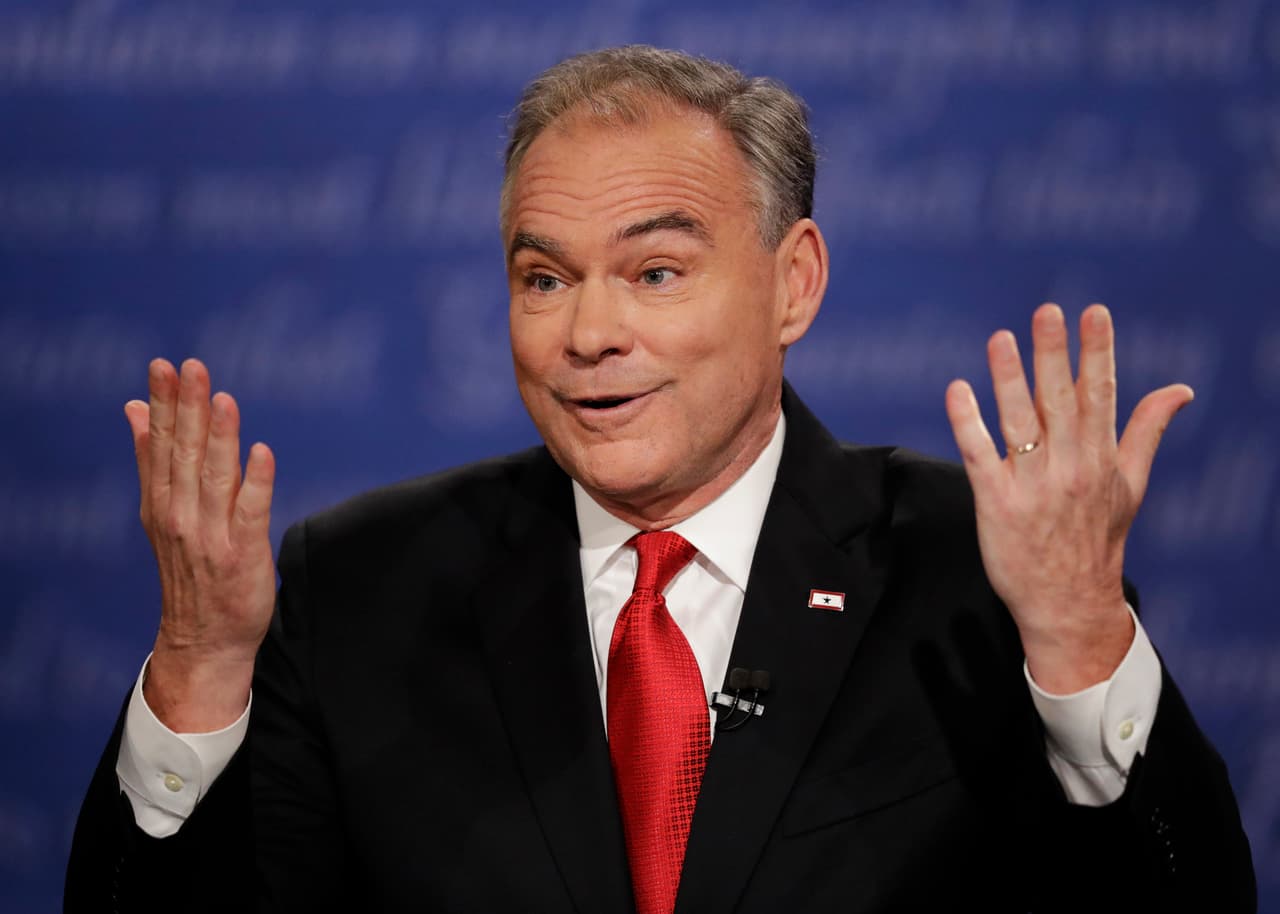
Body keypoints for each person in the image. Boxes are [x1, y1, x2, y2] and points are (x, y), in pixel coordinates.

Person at [66, 45, 1254, 913]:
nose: (587, 332)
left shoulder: (969, 573)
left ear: (792, 283)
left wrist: (1085, 641)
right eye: (543, 279)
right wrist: (198, 672)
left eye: (655, 272)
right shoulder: (361, 588)